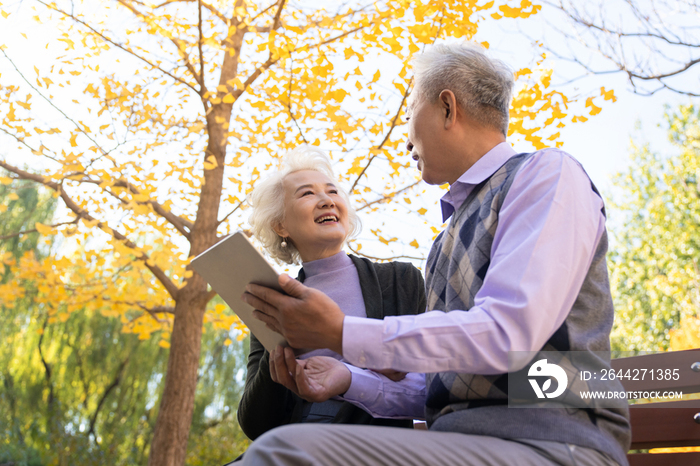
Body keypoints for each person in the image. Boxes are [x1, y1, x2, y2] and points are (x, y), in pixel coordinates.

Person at [241, 43, 631, 466]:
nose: (406, 134)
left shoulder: (546, 175)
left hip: (552, 445)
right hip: (455, 445)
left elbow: (509, 334)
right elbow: (442, 385)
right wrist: (347, 379)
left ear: (447, 108)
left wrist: (341, 334)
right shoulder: (445, 240)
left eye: (410, 113)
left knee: (286, 452)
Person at [236, 147, 427, 442]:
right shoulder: (272, 304)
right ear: (281, 225)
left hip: (378, 444)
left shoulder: (401, 280)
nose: (327, 200)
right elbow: (254, 424)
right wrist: (280, 344)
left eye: (333, 192)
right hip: (297, 443)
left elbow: (433, 374)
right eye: (307, 194)